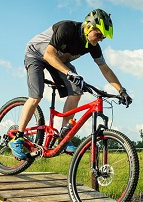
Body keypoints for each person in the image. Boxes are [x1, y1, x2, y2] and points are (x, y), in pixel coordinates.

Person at [9, 9, 133, 160]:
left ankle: (63, 137)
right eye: (99, 34)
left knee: (77, 91)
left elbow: (105, 69)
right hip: (36, 55)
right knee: (36, 96)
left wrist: (122, 91)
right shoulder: (67, 29)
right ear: (88, 26)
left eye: (103, 36)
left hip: (58, 61)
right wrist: (69, 73)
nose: (101, 39)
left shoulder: (92, 45)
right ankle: (18, 138)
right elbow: (48, 54)